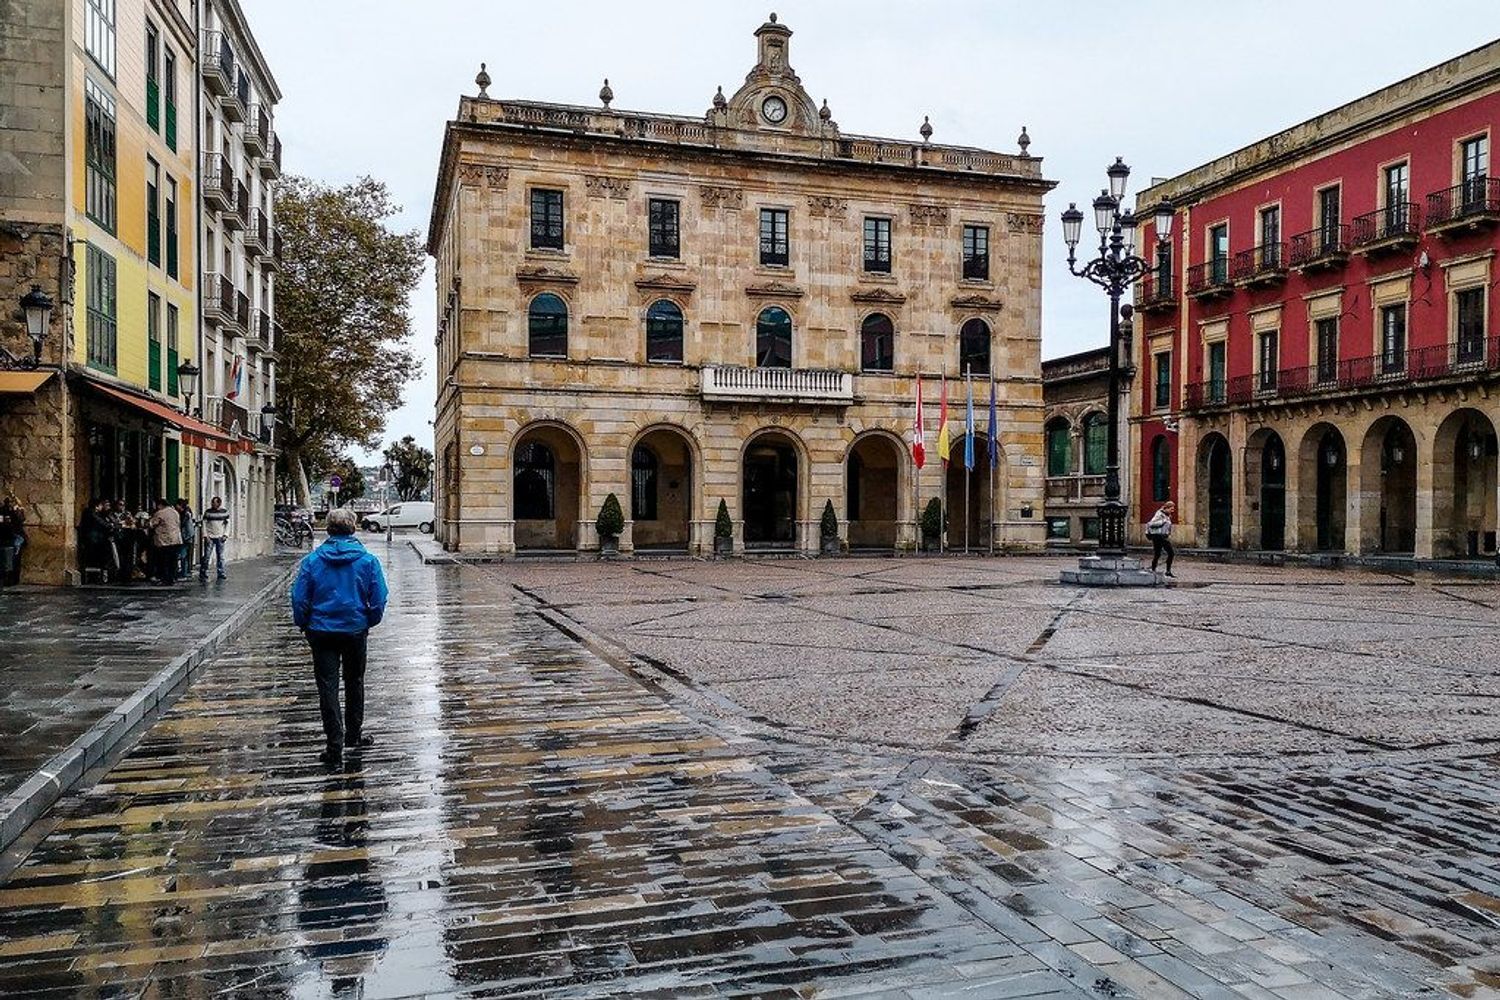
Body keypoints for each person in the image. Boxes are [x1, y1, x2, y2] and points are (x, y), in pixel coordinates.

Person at [291, 508, 389, 766]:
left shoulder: (312, 561)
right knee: (355, 681)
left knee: (327, 686)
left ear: (329, 530)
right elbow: (379, 598)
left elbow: (299, 598)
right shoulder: (368, 561)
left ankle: (334, 745)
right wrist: (369, 620)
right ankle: (353, 735)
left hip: (321, 630)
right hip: (355, 629)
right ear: (353, 529)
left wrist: (303, 622)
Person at [148, 497, 182, 584]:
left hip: (164, 540)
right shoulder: (175, 512)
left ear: (160, 505)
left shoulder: (160, 513)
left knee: (164, 561)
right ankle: (173, 577)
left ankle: (165, 578)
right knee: (173, 561)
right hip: (175, 539)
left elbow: (151, 524)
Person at [200, 496, 230, 581]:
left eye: (215, 503)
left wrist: (225, 535)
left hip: (220, 537)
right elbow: (204, 524)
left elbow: (228, 524)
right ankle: (203, 572)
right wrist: (205, 535)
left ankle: (221, 572)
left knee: (220, 556)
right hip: (210, 537)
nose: (213, 504)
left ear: (219, 503)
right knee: (207, 556)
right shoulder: (208, 512)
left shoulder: (224, 512)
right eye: (212, 502)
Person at [1146, 500, 1176, 577]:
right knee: (1169, 553)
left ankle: (1164, 571)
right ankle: (1159, 570)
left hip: (1162, 536)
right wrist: (1163, 521)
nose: (1172, 511)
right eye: (1171, 509)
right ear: (1167, 508)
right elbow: (1151, 524)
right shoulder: (1159, 514)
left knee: (1158, 554)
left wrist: (1167, 532)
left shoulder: (1167, 515)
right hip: (1158, 536)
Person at [0, 492, 23, 586]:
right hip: (9, 538)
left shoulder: (12, 512)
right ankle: (9, 579)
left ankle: (10, 579)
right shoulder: (7, 511)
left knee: (11, 560)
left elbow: (19, 521)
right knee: (10, 560)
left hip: (11, 538)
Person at [176, 499, 197, 581]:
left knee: (183, 556)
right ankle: (184, 572)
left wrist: (186, 538)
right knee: (184, 556)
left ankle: (184, 573)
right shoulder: (185, 513)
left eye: (177, 505)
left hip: (185, 538)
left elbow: (189, 528)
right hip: (186, 537)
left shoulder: (186, 515)